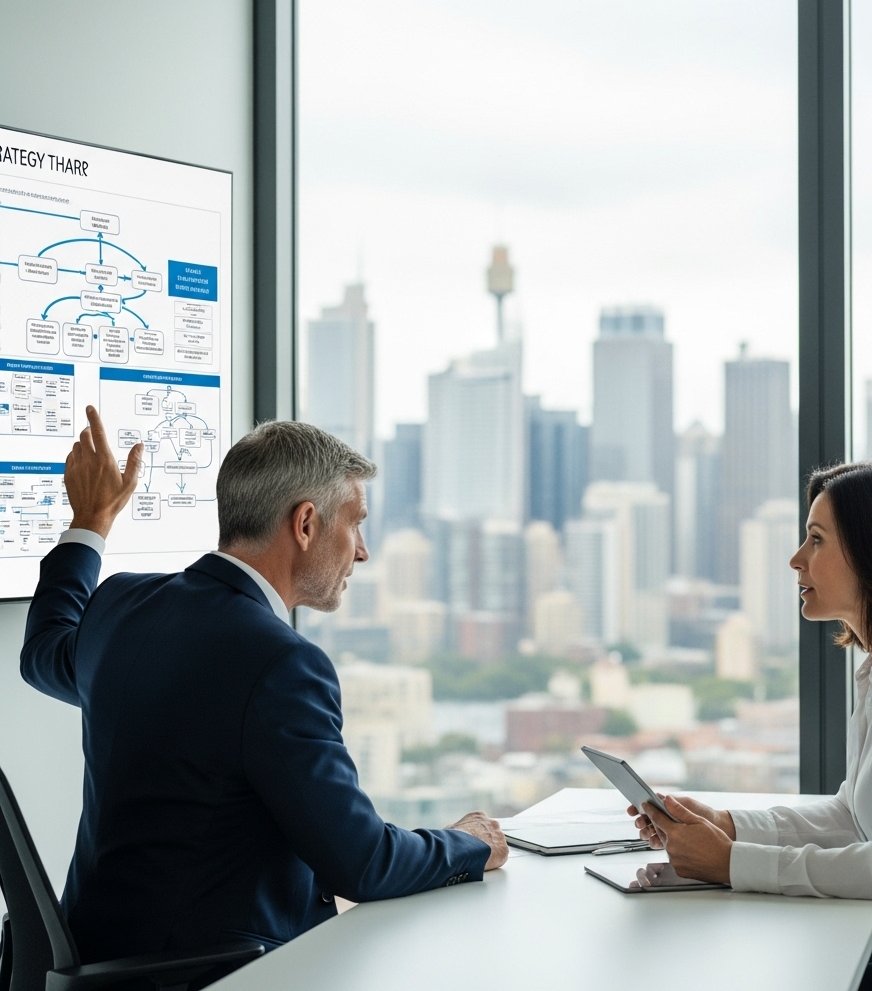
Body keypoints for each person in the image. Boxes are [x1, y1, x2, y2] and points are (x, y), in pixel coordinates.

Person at [21, 406, 507, 965]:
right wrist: (469, 841)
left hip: (94, 961)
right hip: (215, 973)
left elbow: (41, 654)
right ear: (305, 524)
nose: (364, 551)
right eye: (357, 523)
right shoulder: (282, 663)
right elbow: (362, 863)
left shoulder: (121, 606)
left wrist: (91, 521)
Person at [629, 459, 872, 990]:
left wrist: (731, 864)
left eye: (816, 540)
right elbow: (853, 818)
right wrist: (729, 825)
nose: (796, 560)